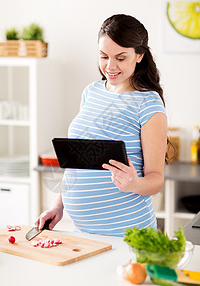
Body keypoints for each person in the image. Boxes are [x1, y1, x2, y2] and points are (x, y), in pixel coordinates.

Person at [35, 14, 168, 237]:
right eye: (104, 56)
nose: (110, 66)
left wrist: (134, 184)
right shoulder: (91, 92)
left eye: (121, 58)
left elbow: (156, 179)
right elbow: (76, 161)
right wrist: (59, 205)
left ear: (139, 56)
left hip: (127, 234)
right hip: (83, 232)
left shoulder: (148, 104)